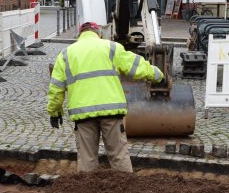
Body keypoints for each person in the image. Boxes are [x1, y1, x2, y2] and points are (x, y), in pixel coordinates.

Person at [47, 22, 165, 173]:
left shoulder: (65, 54)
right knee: (118, 155)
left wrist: (54, 112)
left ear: (79, 35)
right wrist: (158, 75)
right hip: (112, 111)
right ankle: (126, 190)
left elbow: (56, 88)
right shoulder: (111, 47)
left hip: (83, 114)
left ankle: (87, 192)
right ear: (98, 33)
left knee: (87, 158)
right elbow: (135, 66)